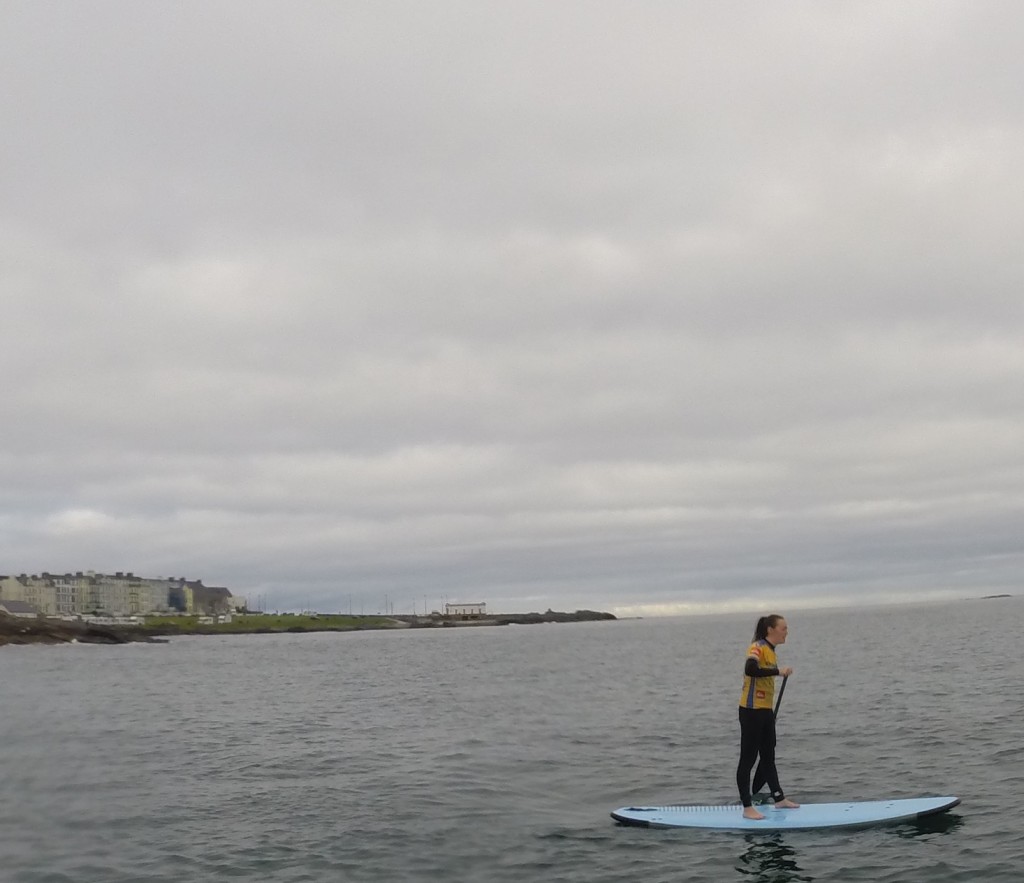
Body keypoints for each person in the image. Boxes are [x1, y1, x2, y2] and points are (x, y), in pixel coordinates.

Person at [736, 614, 800, 820]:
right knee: (748, 759)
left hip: (765, 711)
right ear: (770, 630)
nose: (786, 631)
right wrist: (778, 672)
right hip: (751, 711)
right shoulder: (757, 647)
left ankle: (778, 798)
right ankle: (747, 807)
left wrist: (777, 671)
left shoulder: (771, 651)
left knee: (768, 756)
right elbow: (750, 668)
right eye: (783, 628)